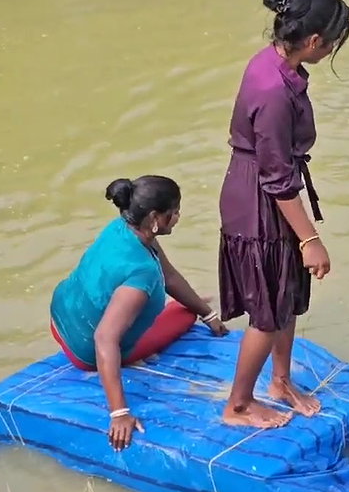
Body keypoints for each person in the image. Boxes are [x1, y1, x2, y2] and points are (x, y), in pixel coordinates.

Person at [217, 0, 349, 429]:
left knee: (286, 296)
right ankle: (238, 406)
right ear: (313, 41)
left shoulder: (273, 61)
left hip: (264, 187)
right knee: (268, 311)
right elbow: (276, 181)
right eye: (331, 42)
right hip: (260, 200)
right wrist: (311, 240)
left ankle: (280, 382)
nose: (331, 49)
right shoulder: (274, 90)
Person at [50, 175, 227, 450]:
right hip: (84, 351)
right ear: (155, 218)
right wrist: (119, 413)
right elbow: (104, 338)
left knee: (187, 307)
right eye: (174, 212)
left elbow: (169, 277)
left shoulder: (122, 227)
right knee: (183, 315)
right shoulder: (142, 273)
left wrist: (208, 314)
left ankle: (186, 308)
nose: (178, 217)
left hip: (60, 320)